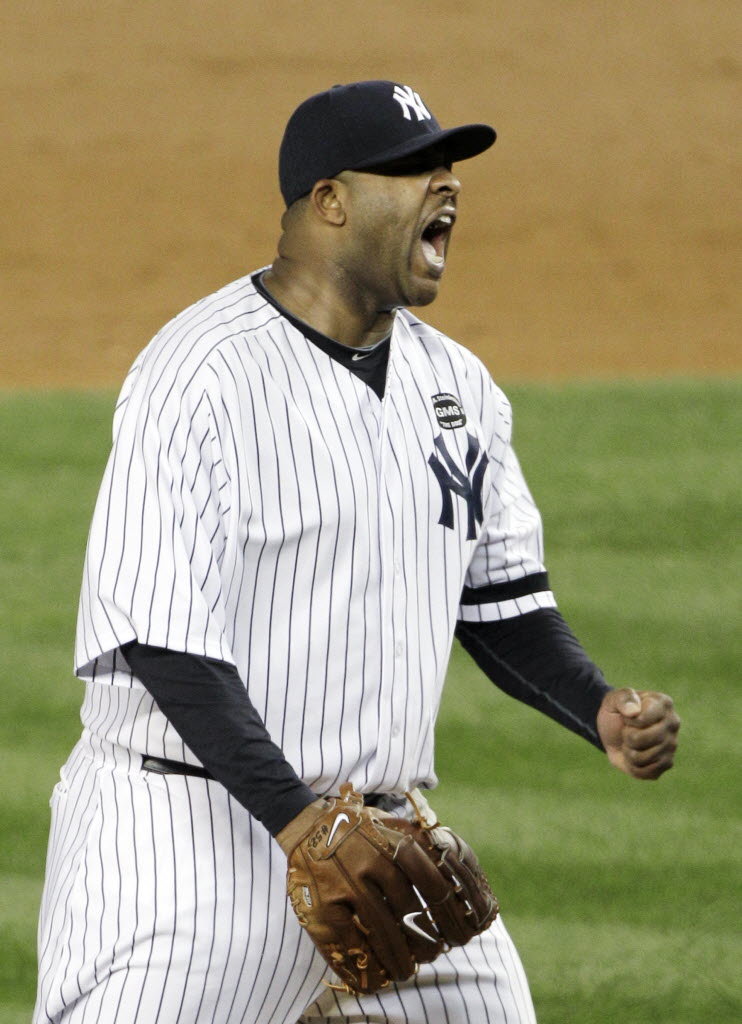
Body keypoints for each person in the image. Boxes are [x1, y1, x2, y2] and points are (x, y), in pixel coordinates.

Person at [34, 80, 680, 1024]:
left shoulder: (457, 384)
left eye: (449, 166)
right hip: (192, 844)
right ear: (329, 201)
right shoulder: (200, 373)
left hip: (388, 850)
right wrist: (298, 822)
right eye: (414, 169)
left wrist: (597, 708)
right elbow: (161, 639)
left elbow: (502, 600)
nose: (446, 184)